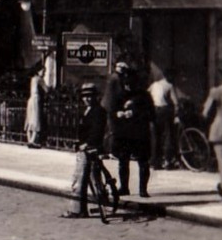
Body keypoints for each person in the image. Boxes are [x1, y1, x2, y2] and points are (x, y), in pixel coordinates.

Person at [63, 81, 108, 218]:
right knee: (94, 177)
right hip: (86, 147)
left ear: (96, 97)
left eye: (90, 96)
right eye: (85, 96)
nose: (87, 99)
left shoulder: (99, 111)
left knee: (79, 178)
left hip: (90, 148)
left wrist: (87, 143)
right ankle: (103, 202)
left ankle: (77, 210)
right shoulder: (87, 110)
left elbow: (97, 131)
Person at [110, 74, 154, 198]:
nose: (128, 87)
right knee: (123, 162)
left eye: (131, 84)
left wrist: (135, 113)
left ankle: (143, 189)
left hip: (140, 134)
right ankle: (124, 187)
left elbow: (151, 114)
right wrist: (117, 114)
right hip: (124, 134)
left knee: (143, 162)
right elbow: (112, 112)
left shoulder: (144, 96)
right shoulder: (119, 96)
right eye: (126, 84)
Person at [147, 72, 179, 169]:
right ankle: (167, 161)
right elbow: (175, 102)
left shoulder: (154, 85)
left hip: (154, 110)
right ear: (169, 76)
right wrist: (177, 114)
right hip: (165, 111)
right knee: (168, 135)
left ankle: (155, 162)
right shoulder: (169, 86)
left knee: (155, 136)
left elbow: (147, 94)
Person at [23, 69, 46, 148]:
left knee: (29, 119)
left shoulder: (33, 79)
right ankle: (32, 141)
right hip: (36, 100)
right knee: (35, 119)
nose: (44, 73)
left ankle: (29, 140)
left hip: (31, 99)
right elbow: (46, 89)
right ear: (38, 71)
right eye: (43, 71)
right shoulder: (39, 79)